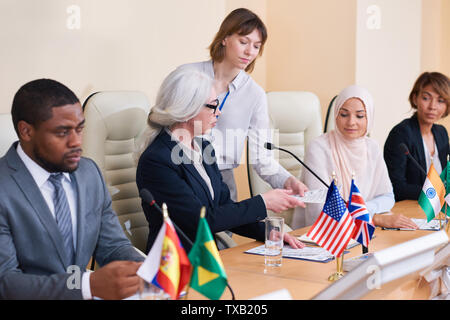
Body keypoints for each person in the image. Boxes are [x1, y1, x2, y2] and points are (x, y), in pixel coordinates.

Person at [0, 79, 145, 300]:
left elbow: (113, 247)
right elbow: (6, 283)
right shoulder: (4, 188)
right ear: (26, 131)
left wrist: (148, 269)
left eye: (80, 129)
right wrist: (87, 286)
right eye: (62, 132)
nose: (76, 142)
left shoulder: (89, 174)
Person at [135, 68, 305, 252]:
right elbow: (201, 221)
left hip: (208, 260)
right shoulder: (157, 160)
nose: (219, 112)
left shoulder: (204, 147)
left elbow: (224, 208)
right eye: (212, 105)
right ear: (186, 111)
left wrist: (267, 232)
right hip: (175, 266)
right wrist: (262, 203)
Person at [176, 8, 308, 202]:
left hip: (222, 180)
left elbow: (262, 158)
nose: (249, 51)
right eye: (243, 42)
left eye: (256, 46)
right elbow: (163, 126)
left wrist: (288, 181)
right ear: (224, 38)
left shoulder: (255, 95)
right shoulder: (186, 76)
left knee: (224, 232)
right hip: (181, 173)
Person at [291, 85, 418, 230]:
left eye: (359, 116)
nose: (351, 122)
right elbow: (320, 209)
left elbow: (387, 197)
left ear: (369, 117)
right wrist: (373, 217)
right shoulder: (318, 148)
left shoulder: (372, 147)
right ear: (336, 115)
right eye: (344, 114)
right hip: (325, 234)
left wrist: (362, 211)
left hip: (363, 230)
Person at [384, 72, 450, 201]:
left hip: (438, 208)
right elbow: (396, 187)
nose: (432, 106)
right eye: (426, 98)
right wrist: (436, 192)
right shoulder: (401, 134)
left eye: (440, 101)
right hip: (409, 209)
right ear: (415, 98)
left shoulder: (441, 133)